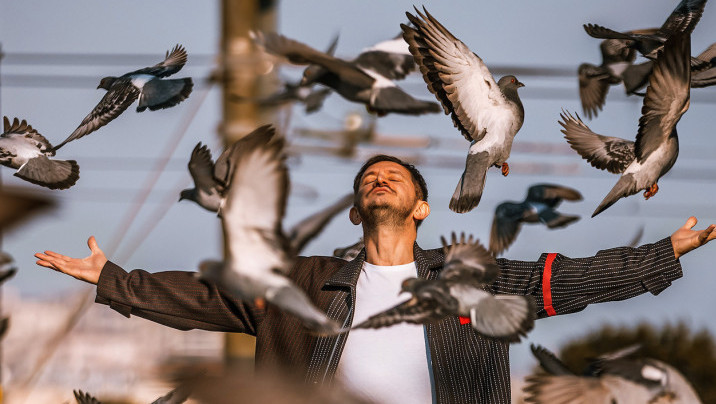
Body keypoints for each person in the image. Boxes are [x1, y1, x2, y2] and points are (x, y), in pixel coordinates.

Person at [36, 154, 715, 404]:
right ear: (360, 208)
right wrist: (112, 279)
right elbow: (206, 299)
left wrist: (667, 252)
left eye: (395, 174)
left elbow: (574, 280)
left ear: (421, 207)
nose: (378, 175)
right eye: (368, 178)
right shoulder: (303, 282)